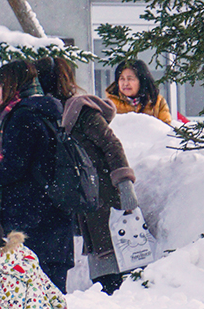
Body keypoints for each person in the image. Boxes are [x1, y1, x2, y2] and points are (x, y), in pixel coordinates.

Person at [0, 61, 74, 293]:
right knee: (53, 301)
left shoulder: (23, 117)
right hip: (56, 221)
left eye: (1, 85)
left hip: (32, 223)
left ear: (14, 86)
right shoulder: (49, 110)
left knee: (33, 302)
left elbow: (12, 169)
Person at [36, 56, 140, 295]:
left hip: (103, 195)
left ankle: (119, 304)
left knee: (113, 257)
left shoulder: (79, 110)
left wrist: (124, 184)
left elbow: (111, 145)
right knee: (100, 254)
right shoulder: (49, 114)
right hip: (85, 200)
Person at [105, 60, 174, 126]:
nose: (125, 83)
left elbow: (165, 129)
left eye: (130, 79)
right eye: (122, 79)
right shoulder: (110, 104)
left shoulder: (157, 101)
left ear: (141, 81)